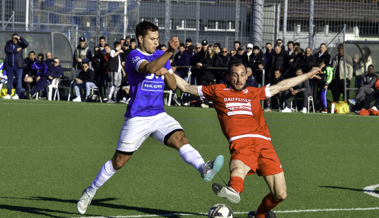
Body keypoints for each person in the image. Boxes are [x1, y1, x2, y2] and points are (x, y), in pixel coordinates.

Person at [76, 21, 224, 215]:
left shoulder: (161, 56)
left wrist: (167, 70)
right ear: (140, 39)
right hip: (137, 118)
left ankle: (203, 168)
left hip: (159, 114)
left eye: (157, 39)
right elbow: (148, 68)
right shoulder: (133, 56)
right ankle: (90, 191)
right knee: (118, 162)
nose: (156, 43)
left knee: (181, 139)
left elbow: (171, 86)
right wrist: (167, 55)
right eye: (152, 39)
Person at [173, 60, 321, 218]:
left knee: (280, 194)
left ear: (247, 76)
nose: (239, 79)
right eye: (235, 75)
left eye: (242, 75)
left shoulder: (254, 92)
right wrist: (166, 69)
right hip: (241, 142)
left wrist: (307, 75)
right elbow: (186, 87)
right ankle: (233, 190)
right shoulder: (218, 90)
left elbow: (281, 86)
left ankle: (259, 214)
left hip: (264, 144)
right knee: (238, 170)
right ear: (229, 76)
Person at [3, 33, 29, 100]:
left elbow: (26, 44)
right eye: (14, 38)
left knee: (18, 80)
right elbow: (6, 50)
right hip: (10, 66)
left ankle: (17, 94)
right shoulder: (9, 43)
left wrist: (20, 38)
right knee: (10, 80)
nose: (15, 39)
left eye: (16, 38)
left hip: (19, 66)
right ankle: (8, 94)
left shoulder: (20, 44)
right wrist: (15, 50)